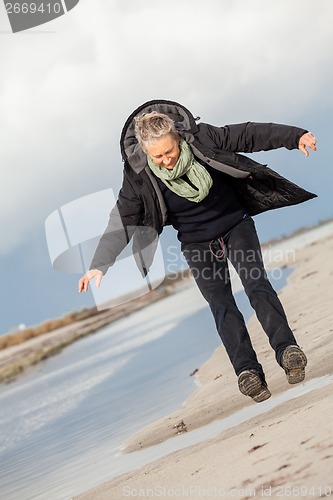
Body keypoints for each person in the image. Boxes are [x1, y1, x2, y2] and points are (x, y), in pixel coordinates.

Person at [78, 99, 317, 403]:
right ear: (145, 151)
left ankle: (287, 350)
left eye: (170, 152)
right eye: (158, 156)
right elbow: (123, 218)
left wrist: (295, 137)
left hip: (235, 226)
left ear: (177, 137)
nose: (165, 160)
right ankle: (248, 372)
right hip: (195, 243)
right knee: (221, 303)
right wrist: (100, 264)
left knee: (257, 286)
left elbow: (249, 134)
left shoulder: (203, 138)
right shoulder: (138, 174)